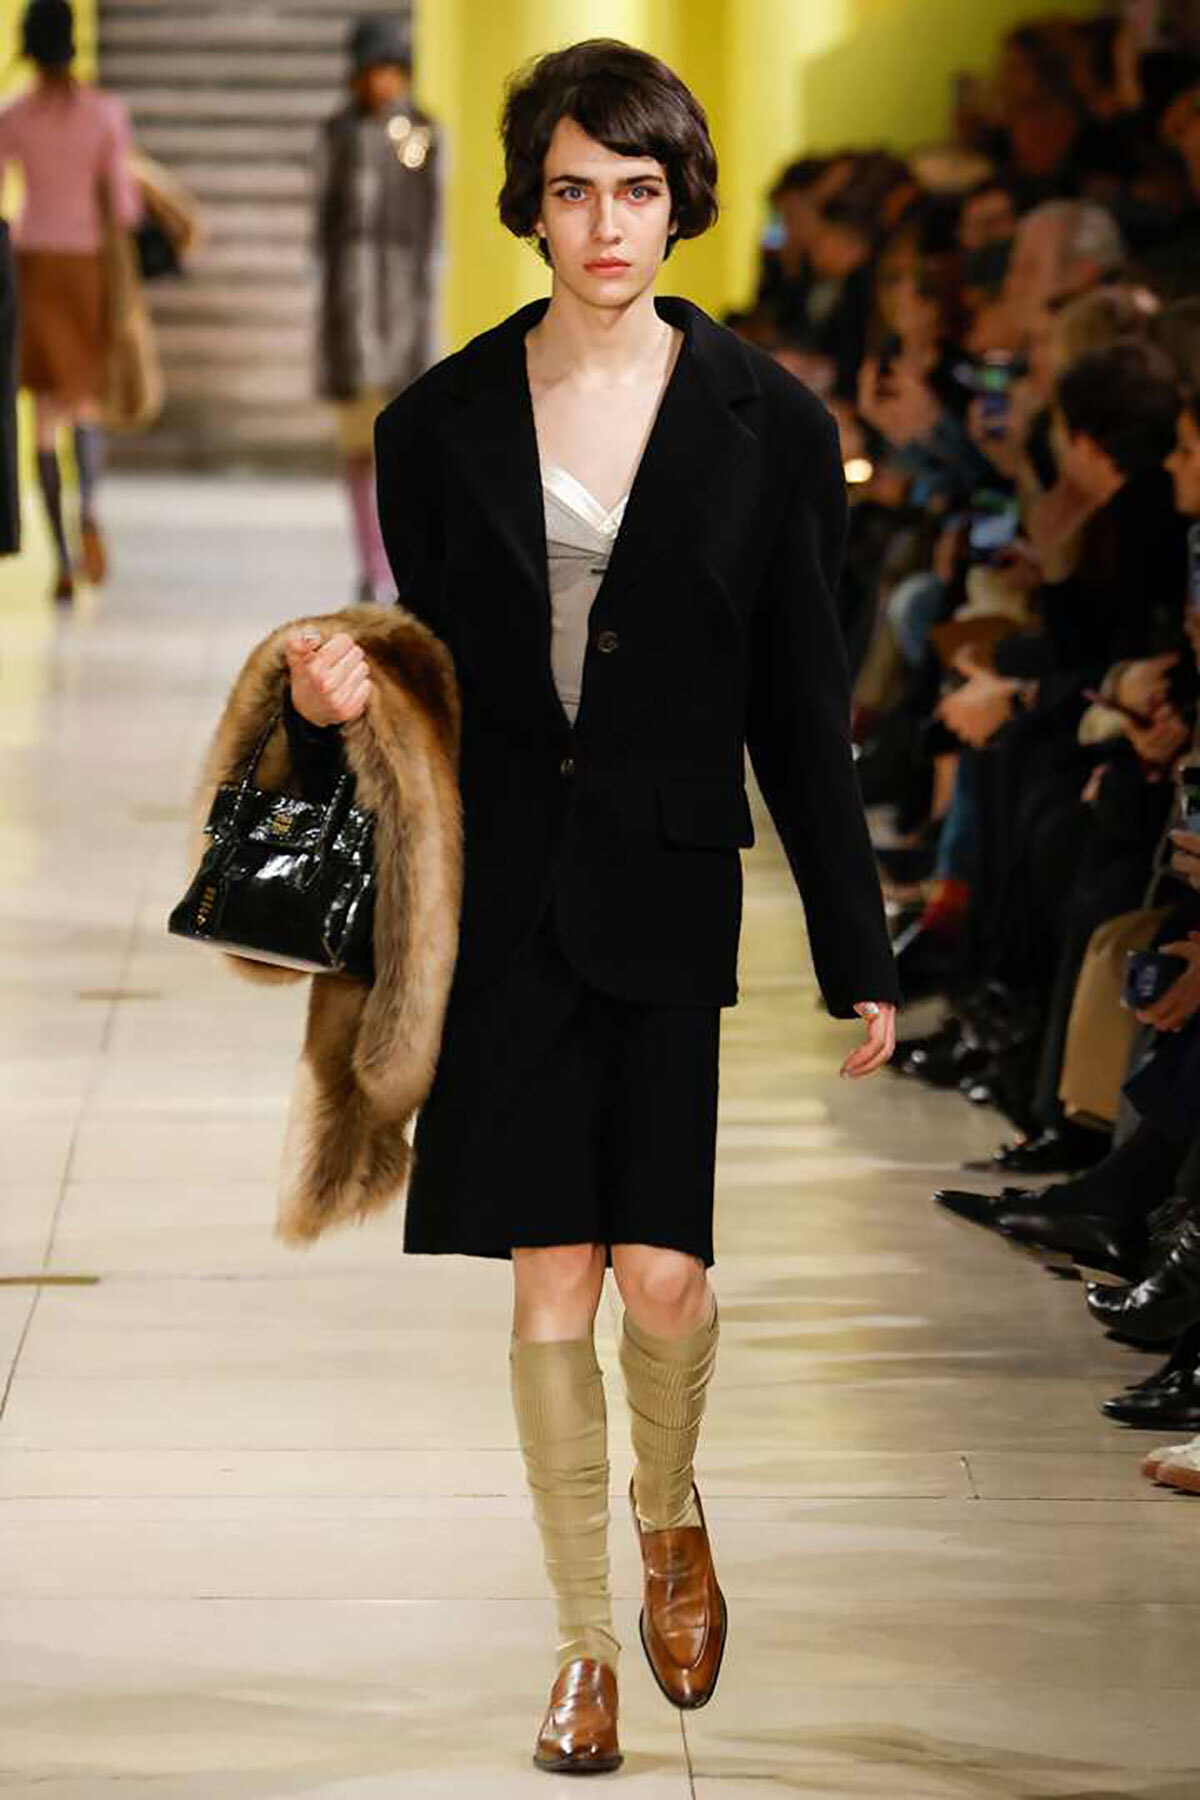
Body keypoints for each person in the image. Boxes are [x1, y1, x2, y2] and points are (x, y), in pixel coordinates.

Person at [284, 38, 898, 1776]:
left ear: (678, 200)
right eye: (572, 191)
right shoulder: (439, 422)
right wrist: (347, 697)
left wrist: (859, 951)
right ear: (528, 207)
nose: (605, 225)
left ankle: (671, 1511)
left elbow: (802, 699)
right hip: (502, 895)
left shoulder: (768, 422)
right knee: (552, 1270)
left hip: (666, 884)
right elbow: (434, 681)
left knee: (666, 1275)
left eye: (635, 190)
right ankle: (577, 1651)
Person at [0, 0, 141, 601]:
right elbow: (127, 207)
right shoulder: (105, 114)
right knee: (82, 402)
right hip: (85, 268)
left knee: (43, 417)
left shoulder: (13, 116)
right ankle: (90, 507)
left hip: (31, 268)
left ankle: (59, 552)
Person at [315, 15, 441, 605]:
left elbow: (432, 223)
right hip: (348, 314)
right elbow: (324, 222)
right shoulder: (336, 134)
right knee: (358, 449)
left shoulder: (421, 132)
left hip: (405, 313)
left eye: (390, 70)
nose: (381, 83)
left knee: (406, 452)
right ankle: (370, 563)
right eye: (372, 71)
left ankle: (397, 559)